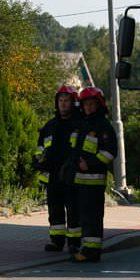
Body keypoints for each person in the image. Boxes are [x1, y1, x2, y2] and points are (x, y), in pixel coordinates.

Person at [66, 86, 117, 263]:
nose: (88, 107)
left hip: (94, 182)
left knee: (92, 218)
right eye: (86, 104)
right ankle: (85, 248)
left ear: (99, 105)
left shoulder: (103, 126)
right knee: (82, 217)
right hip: (79, 181)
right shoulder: (82, 125)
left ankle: (92, 251)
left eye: (92, 104)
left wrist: (89, 164)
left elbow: (110, 153)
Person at [34, 85, 82, 253]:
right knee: (55, 210)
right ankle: (56, 242)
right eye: (60, 100)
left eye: (66, 100)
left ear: (73, 102)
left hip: (72, 175)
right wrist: (39, 161)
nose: (62, 104)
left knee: (74, 210)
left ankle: (74, 243)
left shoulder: (79, 124)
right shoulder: (50, 125)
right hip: (53, 174)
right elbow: (40, 148)